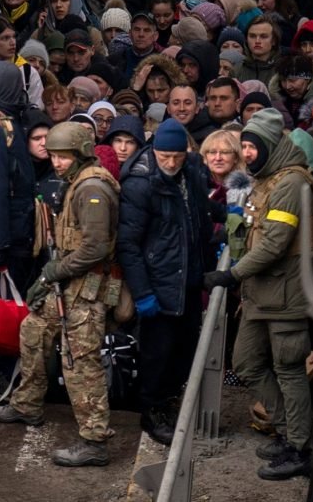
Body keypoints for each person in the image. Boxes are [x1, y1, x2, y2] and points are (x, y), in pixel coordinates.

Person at [0, 119, 123, 468]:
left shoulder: (92, 188)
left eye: (63, 156)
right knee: (33, 330)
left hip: (85, 288)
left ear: (80, 154)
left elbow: (93, 249)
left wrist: (52, 273)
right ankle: (27, 404)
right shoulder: (76, 182)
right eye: (53, 156)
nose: (56, 163)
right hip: (67, 283)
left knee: (80, 362)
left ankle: (94, 439)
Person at [204, 108, 313, 481]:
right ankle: (287, 430)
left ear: (272, 145)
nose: (247, 153)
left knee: (288, 370)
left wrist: (231, 276)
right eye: (245, 146)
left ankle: (299, 446)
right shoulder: (266, 180)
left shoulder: (291, 184)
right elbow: (251, 231)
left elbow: (273, 244)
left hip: (285, 296)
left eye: (253, 146)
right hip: (260, 295)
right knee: (248, 361)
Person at [118, 116, 210, 444]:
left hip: (187, 278)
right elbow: (128, 243)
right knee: (157, 353)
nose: (170, 163)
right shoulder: (141, 182)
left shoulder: (193, 172)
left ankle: (169, 402)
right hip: (158, 280)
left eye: (176, 157)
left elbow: (198, 222)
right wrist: (143, 292)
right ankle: (152, 410)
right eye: (164, 157)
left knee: (183, 349)